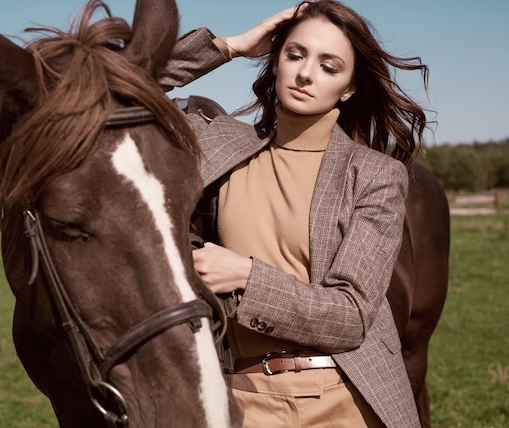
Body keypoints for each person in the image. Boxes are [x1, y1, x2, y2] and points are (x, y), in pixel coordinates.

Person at [161, 1, 428, 426]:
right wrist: (229, 46)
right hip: (239, 398)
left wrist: (246, 276)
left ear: (349, 88)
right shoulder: (218, 143)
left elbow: (351, 316)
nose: (305, 74)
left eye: (329, 66)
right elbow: (116, 88)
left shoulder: (376, 174)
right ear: (276, 59)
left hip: (343, 397)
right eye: (295, 54)